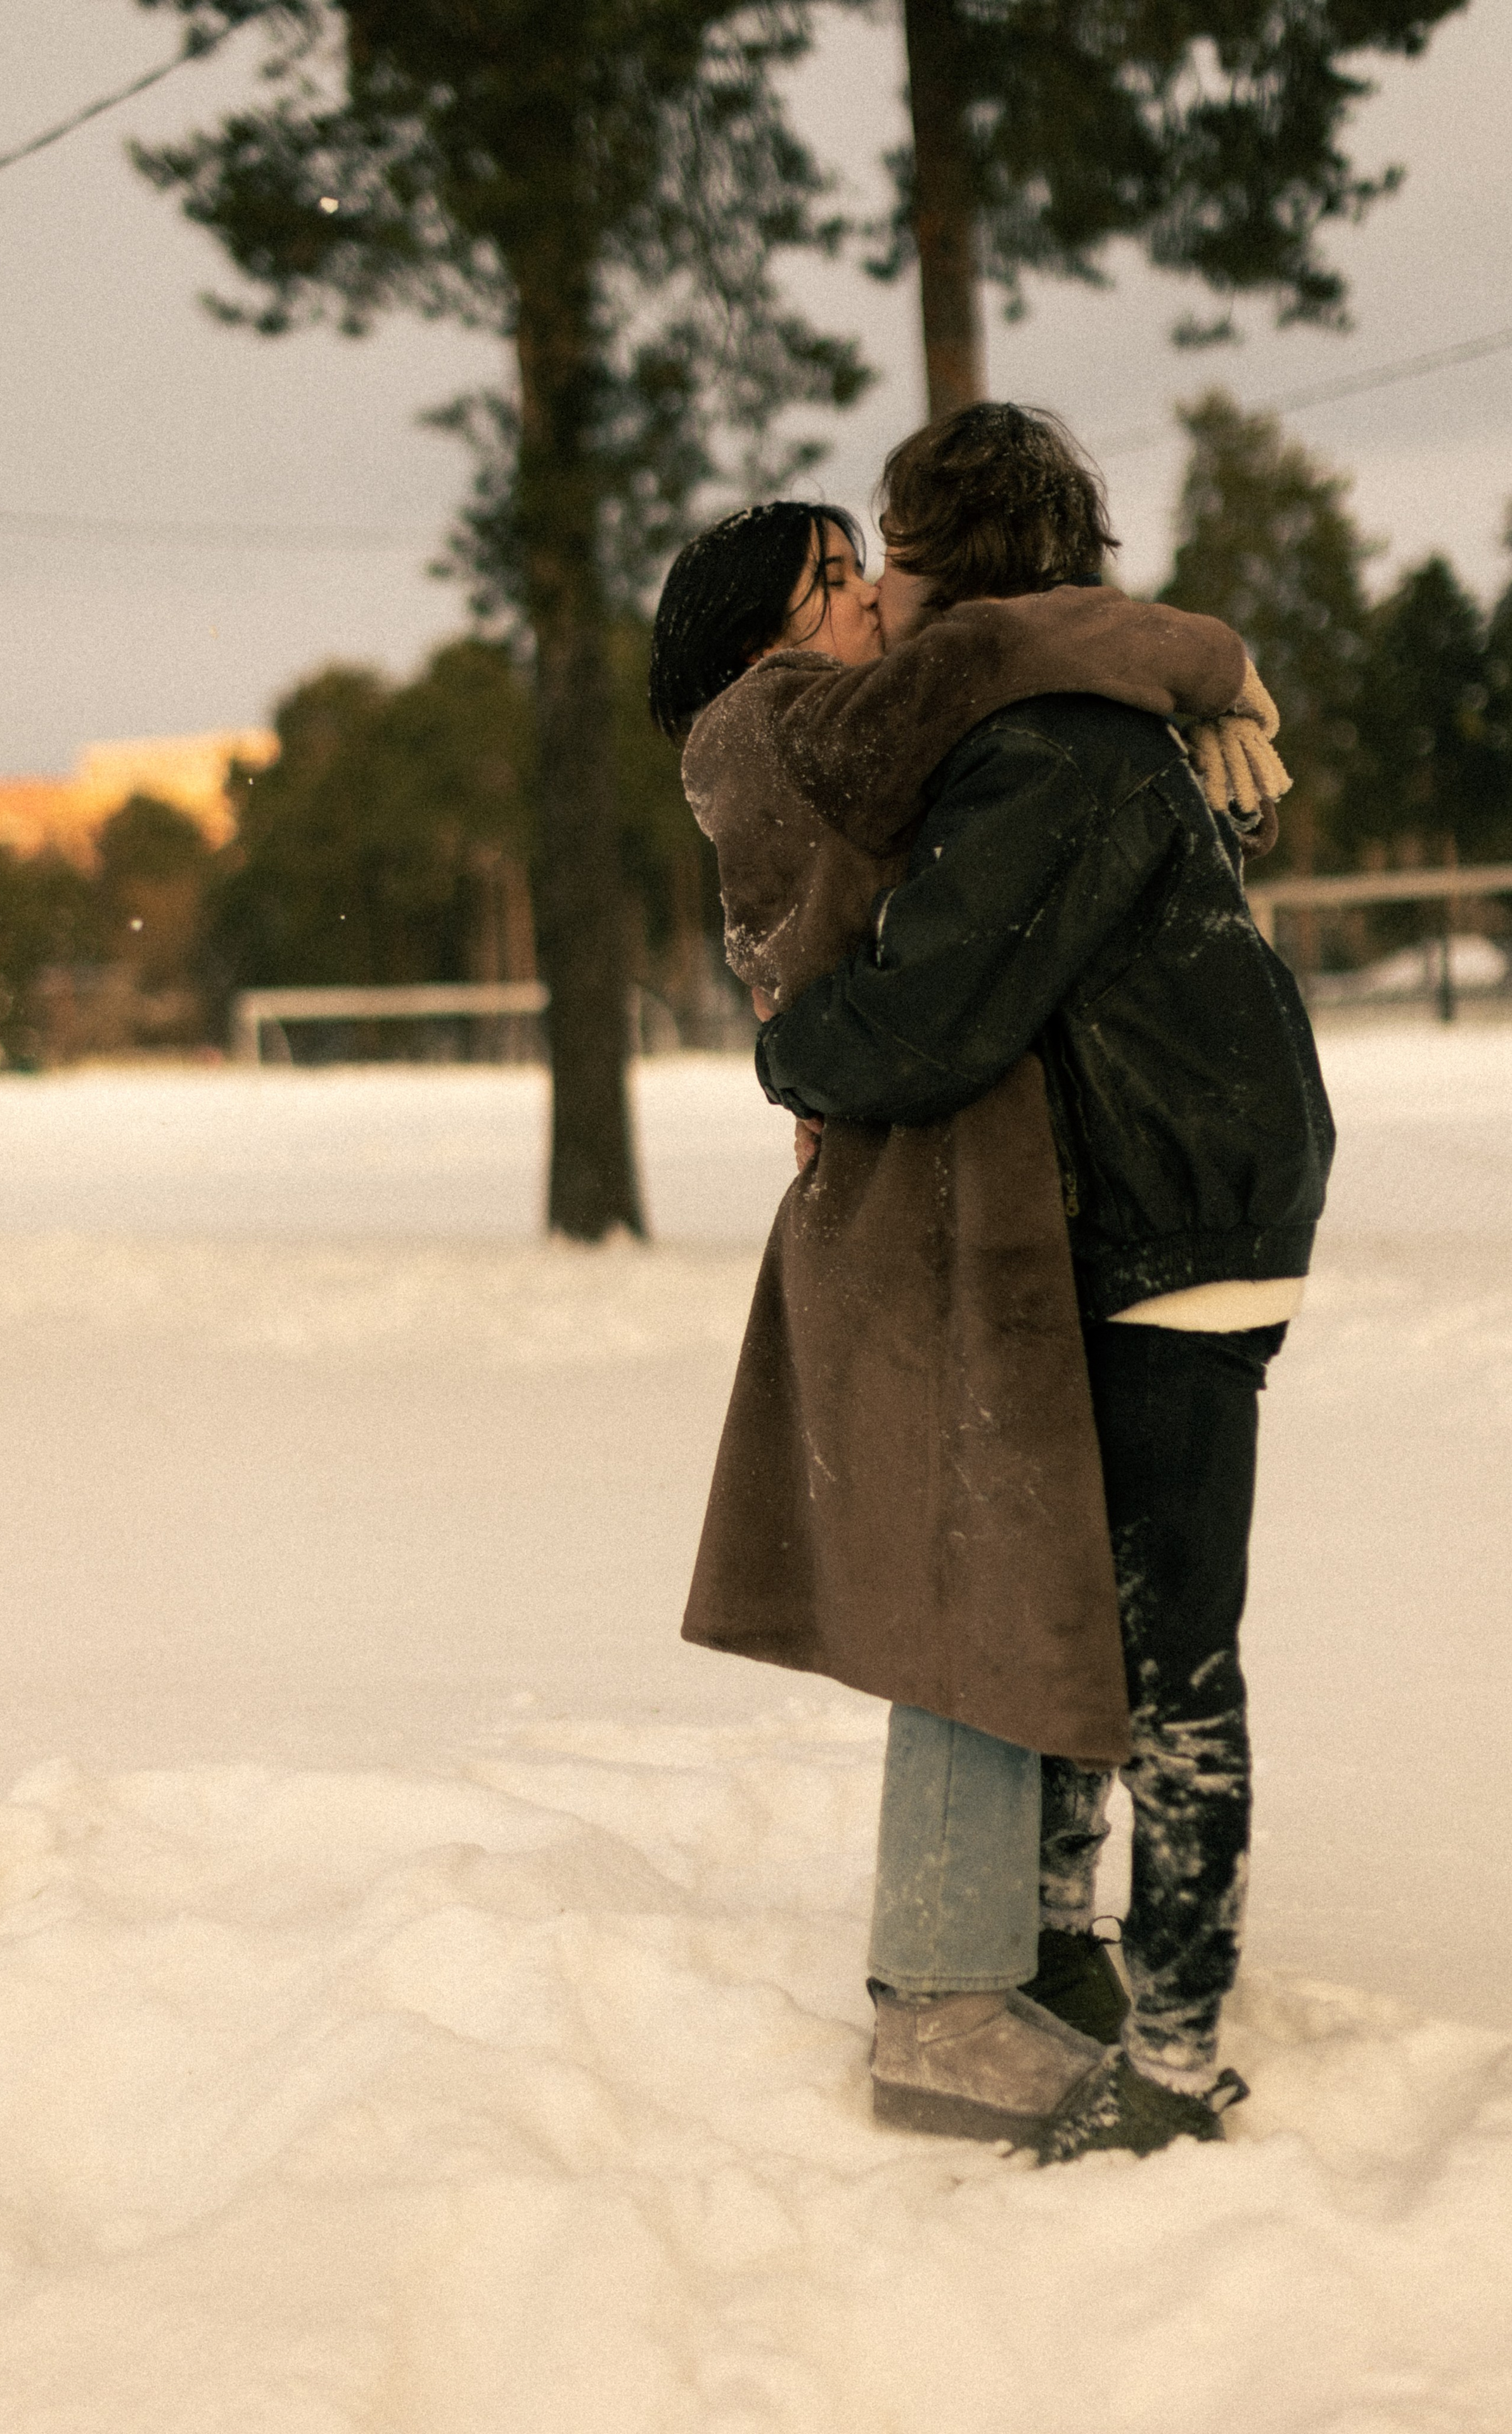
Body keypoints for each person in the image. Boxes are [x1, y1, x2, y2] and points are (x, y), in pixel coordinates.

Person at [650, 467, 1291, 2154]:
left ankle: (1005, 1966)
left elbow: (1010, 673)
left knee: (1004, 1592)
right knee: (980, 1596)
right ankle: (962, 2005)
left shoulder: (822, 735)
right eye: (835, 577)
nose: (877, 601)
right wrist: (1203, 658)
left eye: (874, 565)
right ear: (762, 646)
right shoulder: (816, 726)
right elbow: (1015, 653)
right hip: (934, 1211)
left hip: (966, 1205)